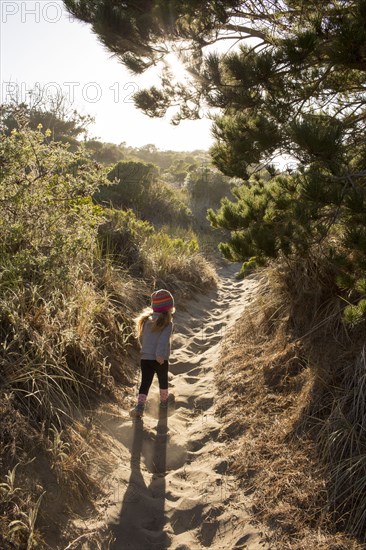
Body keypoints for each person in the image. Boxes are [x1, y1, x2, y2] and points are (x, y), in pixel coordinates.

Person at [130, 289, 175, 418]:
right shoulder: (168, 323)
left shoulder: (145, 321)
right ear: (168, 309)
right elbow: (163, 340)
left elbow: (141, 338)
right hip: (160, 359)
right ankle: (164, 403)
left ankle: (140, 406)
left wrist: (145, 351)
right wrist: (160, 355)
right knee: (163, 381)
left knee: (145, 383)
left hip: (146, 358)